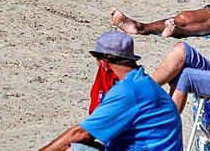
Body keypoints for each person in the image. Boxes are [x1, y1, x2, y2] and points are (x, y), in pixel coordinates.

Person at [40, 32, 182, 151]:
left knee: (72, 148)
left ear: (104, 63)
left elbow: (81, 134)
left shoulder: (128, 91)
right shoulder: (142, 83)